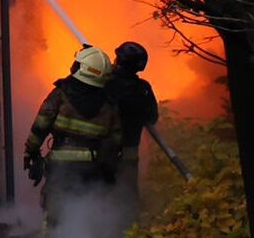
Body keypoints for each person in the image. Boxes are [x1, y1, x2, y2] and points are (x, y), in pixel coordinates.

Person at [24, 45, 122, 238]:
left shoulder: (61, 94)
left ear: (82, 68)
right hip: (94, 168)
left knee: (54, 214)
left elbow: (40, 126)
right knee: (88, 212)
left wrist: (31, 153)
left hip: (62, 166)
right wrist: (109, 171)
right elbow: (116, 141)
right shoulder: (110, 104)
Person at [105, 41, 158, 232]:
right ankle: (130, 232)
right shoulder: (143, 88)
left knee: (101, 193)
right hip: (129, 153)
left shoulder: (105, 84)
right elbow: (152, 117)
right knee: (127, 197)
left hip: (104, 151)